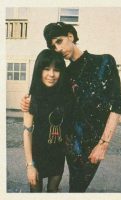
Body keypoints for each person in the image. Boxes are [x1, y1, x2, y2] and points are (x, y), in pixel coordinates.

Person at [21, 22, 121, 192]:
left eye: (59, 41)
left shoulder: (104, 62)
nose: (58, 49)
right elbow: (44, 95)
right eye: (53, 46)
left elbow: (117, 102)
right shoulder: (64, 75)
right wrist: (26, 102)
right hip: (66, 146)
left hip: (92, 146)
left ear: (70, 36)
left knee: (77, 189)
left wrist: (103, 144)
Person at [23, 49, 73, 192]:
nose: (51, 74)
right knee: (35, 192)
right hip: (36, 155)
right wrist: (30, 165)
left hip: (57, 155)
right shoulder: (32, 99)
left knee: (53, 190)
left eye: (56, 70)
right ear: (39, 70)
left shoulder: (66, 97)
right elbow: (27, 132)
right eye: (46, 69)